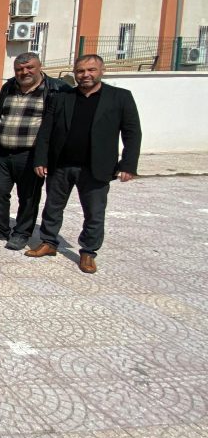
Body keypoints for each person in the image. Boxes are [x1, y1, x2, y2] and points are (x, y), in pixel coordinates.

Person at [26, 55, 142, 274]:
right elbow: (46, 130)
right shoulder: (62, 97)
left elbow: (132, 133)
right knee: (53, 207)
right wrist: (41, 159)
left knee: (94, 212)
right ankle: (49, 242)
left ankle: (88, 251)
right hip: (61, 165)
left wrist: (128, 164)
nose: (85, 75)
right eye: (80, 71)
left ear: (102, 71)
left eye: (91, 70)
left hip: (96, 167)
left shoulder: (120, 97)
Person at [0, 52, 70, 250]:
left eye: (29, 68)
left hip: (30, 154)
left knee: (28, 196)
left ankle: (21, 233)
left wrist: (46, 156)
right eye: (19, 69)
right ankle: (0, 228)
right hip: (1, 151)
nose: (24, 72)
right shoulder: (9, 86)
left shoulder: (55, 89)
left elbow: (59, 125)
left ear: (40, 67)